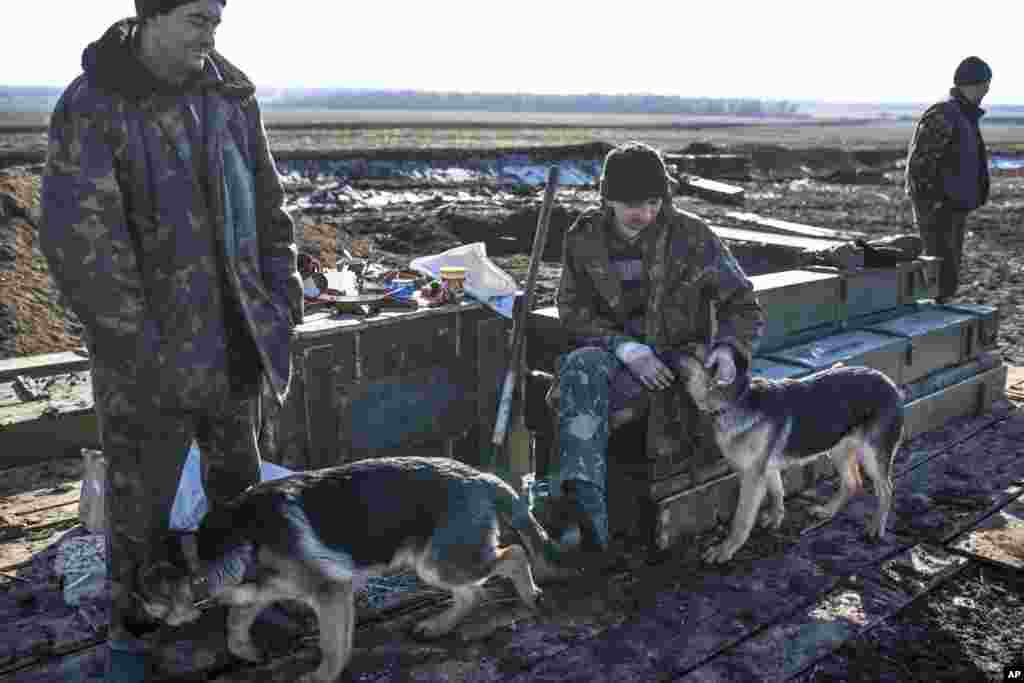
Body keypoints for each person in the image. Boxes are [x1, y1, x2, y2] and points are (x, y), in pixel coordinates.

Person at [40, 1, 302, 679]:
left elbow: (270, 211)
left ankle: (241, 608)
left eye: (217, 17)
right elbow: (81, 246)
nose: (211, 32)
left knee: (241, 497)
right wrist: (137, 350)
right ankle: (132, 635)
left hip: (232, 342)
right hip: (146, 358)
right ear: (151, 17)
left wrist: (282, 300)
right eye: (196, 17)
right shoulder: (96, 105)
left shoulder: (229, 96)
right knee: (139, 510)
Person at [549, 141, 765, 559]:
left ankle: (588, 514)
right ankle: (588, 513)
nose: (643, 213)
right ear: (606, 197)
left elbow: (743, 304)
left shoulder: (692, 236)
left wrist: (728, 349)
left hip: (678, 361)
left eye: (652, 202)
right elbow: (571, 310)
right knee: (578, 372)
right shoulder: (585, 237)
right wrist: (625, 348)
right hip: (617, 358)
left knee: (585, 400)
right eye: (631, 203)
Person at [905, 56, 992, 304]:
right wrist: (933, 204)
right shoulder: (944, 114)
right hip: (938, 208)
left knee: (947, 275)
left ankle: (939, 316)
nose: (987, 90)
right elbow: (920, 165)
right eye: (985, 83)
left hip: (952, 206)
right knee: (939, 274)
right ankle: (933, 324)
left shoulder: (962, 115)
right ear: (972, 83)